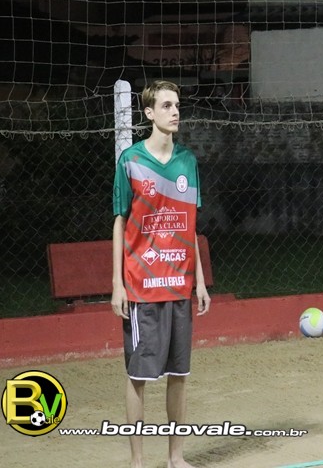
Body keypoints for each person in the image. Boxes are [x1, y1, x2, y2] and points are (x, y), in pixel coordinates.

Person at [112, 80, 211, 468]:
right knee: (139, 375)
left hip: (179, 286)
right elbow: (120, 222)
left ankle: (175, 457)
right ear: (149, 113)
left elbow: (190, 226)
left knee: (179, 373)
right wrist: (117, 284)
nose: (175, 111)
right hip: (142, 287)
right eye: (167, 105)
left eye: (177, 105)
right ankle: (137, 461)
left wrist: (199, 281)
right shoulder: (131, 160)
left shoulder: (188, 161)